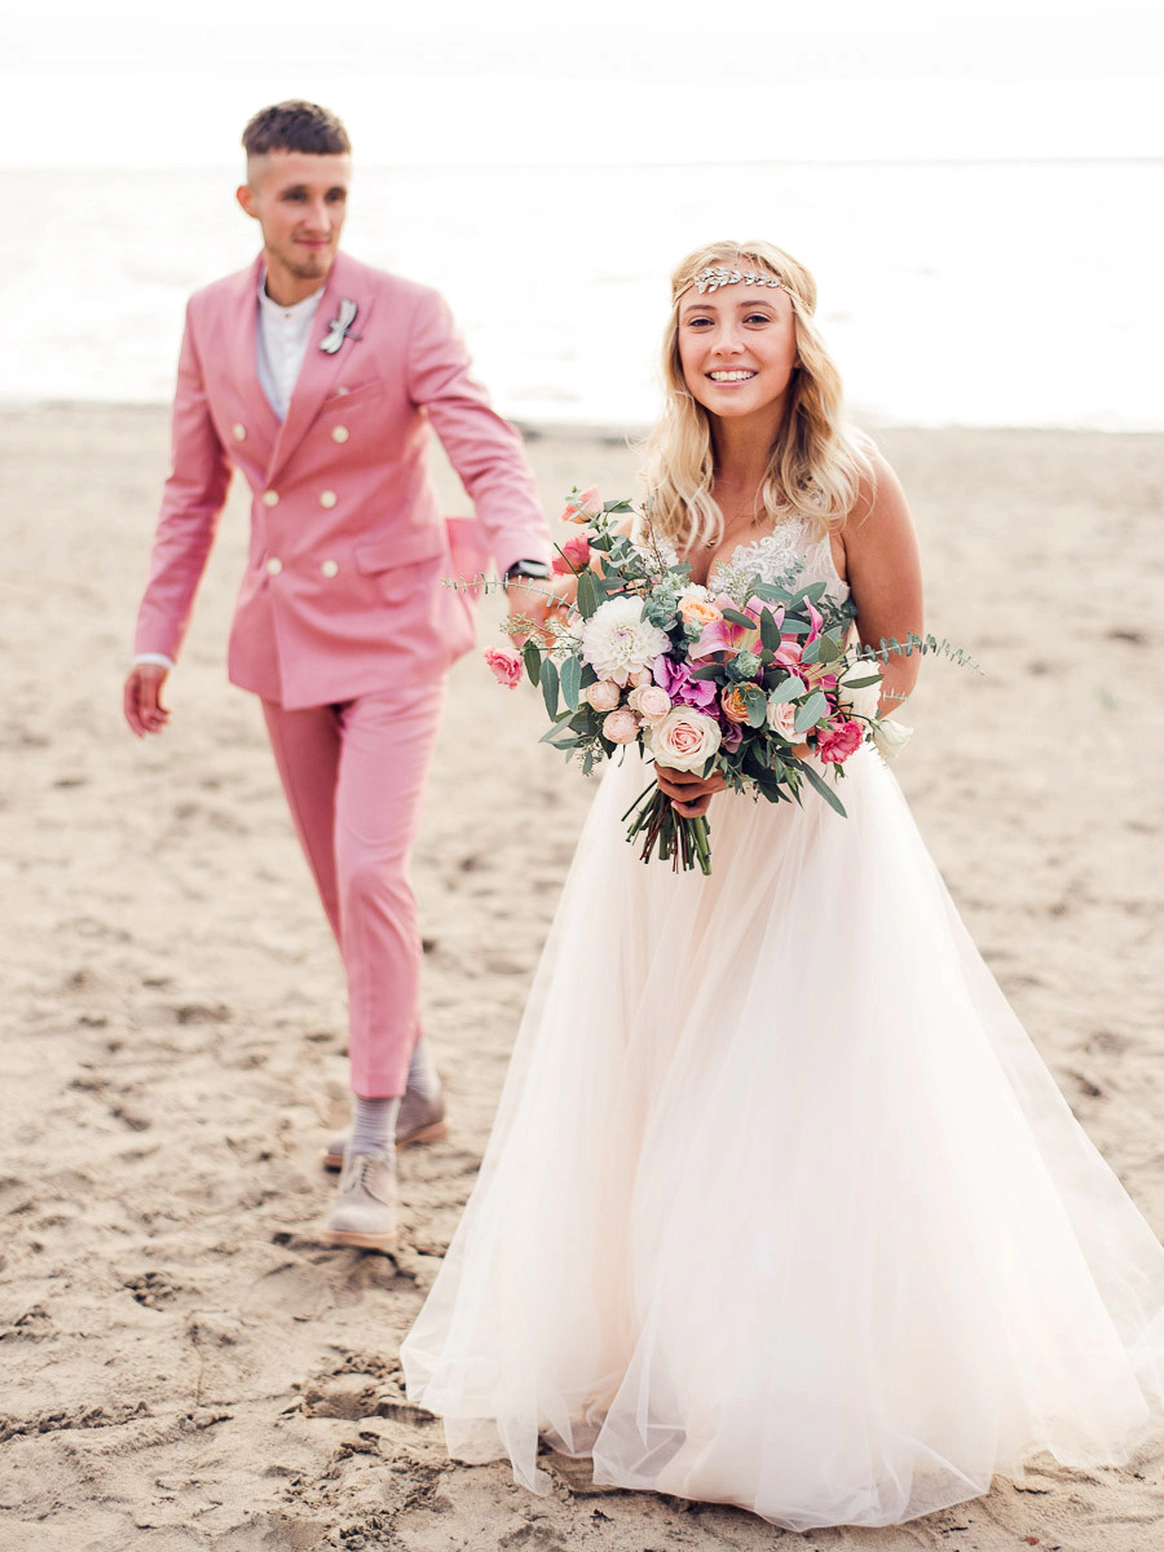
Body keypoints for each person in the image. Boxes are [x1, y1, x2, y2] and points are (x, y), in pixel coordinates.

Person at [400, 240, 1164, 1529]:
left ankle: (785, 1385)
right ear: (678, 346)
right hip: (665, 828)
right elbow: (623, 642)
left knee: (783, 1085)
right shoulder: (667, 489)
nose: (729, 343)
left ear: (798, 338)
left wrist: (772, 728)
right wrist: (656, 727)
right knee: (661, 1073)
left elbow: (899, 660)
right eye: (704, 321)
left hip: (809, 830)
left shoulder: (852, 480)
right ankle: (667, 1359)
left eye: (755, 317)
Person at [123, 101, 553, 1254]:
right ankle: (413, 1081)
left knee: (371, 870)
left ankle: (372, 1147)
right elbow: (191, 493)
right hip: (283, 638)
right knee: (337, 887)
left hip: (398, 629)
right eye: (297, 195)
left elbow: (483, 444)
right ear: (251, 200)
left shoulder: (407, 311)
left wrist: (523, 553)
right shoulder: (208, 317)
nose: (319, 217)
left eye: (335, 195)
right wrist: (156, 636)